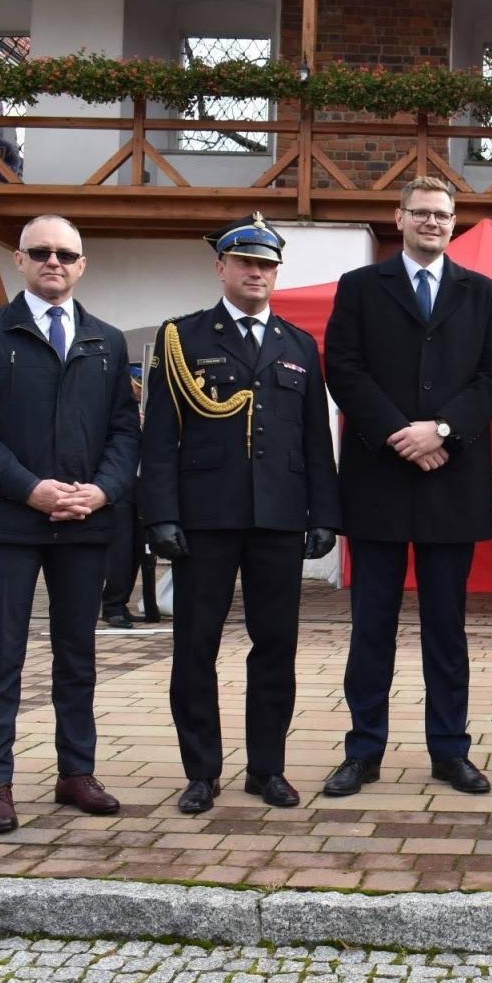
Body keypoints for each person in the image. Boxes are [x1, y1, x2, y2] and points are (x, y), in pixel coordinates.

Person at [139, 213, 340, 814]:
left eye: (268, 264)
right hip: (204, 518)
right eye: (247, 263)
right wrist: (160, 515)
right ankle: (201, 771)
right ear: (221, 267)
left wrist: (323, 513)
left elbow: (314, 439)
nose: (258, 273)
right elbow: (160, 437)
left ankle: (266, 768)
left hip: (278, 518)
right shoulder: (183, 337)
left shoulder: (299, 345)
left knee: (275, 646)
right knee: (195, 646)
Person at [0, 214, 139, 834]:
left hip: (84, 525)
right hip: (9, 523)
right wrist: (30, 489)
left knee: (77, 655)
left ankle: (75, 772)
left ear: (82, 265)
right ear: (21, 262)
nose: (54, 262)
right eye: (41, 252)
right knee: (2, 657)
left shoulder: (107, 341)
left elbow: (124, 432)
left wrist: (103, 492)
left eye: (66, 254)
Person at [323, 177, 492, 796]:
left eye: (443, 214)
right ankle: (364, 751)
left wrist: (443, 430)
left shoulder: (483, 292)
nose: (432, 222)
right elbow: (343, 368)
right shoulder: (359, 286)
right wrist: (398, 433)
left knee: (446, 627)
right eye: (422, 213)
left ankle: (449, 749)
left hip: (449, 480)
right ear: (398, 217)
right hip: (379, 476)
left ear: (454, 223)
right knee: (371, 625)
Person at [100, 363, 159, 629]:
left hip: (142, 486)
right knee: (120, 550)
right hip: (120, 487)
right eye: (136, 387)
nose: (138, 392)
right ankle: (112, 606)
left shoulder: (147, 413)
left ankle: (123, 603)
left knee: (137, 549)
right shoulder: (113, 412)